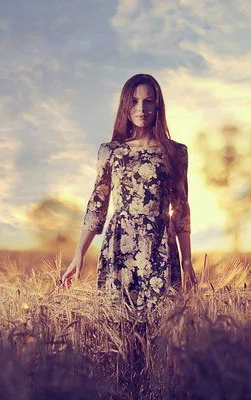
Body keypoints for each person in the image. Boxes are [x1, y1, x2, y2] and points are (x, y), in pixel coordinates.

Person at [60, 73, 198, 309]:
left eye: (148, 101)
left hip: (160, 247)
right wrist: (78, 255)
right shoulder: (110, 152)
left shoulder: (177, 152)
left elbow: (181, 207)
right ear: (125, 105)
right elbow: (98, 203)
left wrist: (187, 260)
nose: (141, 108)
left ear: (158, 104)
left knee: (163, 325)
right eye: (134, 101)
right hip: (119, 247)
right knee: (119, 324)